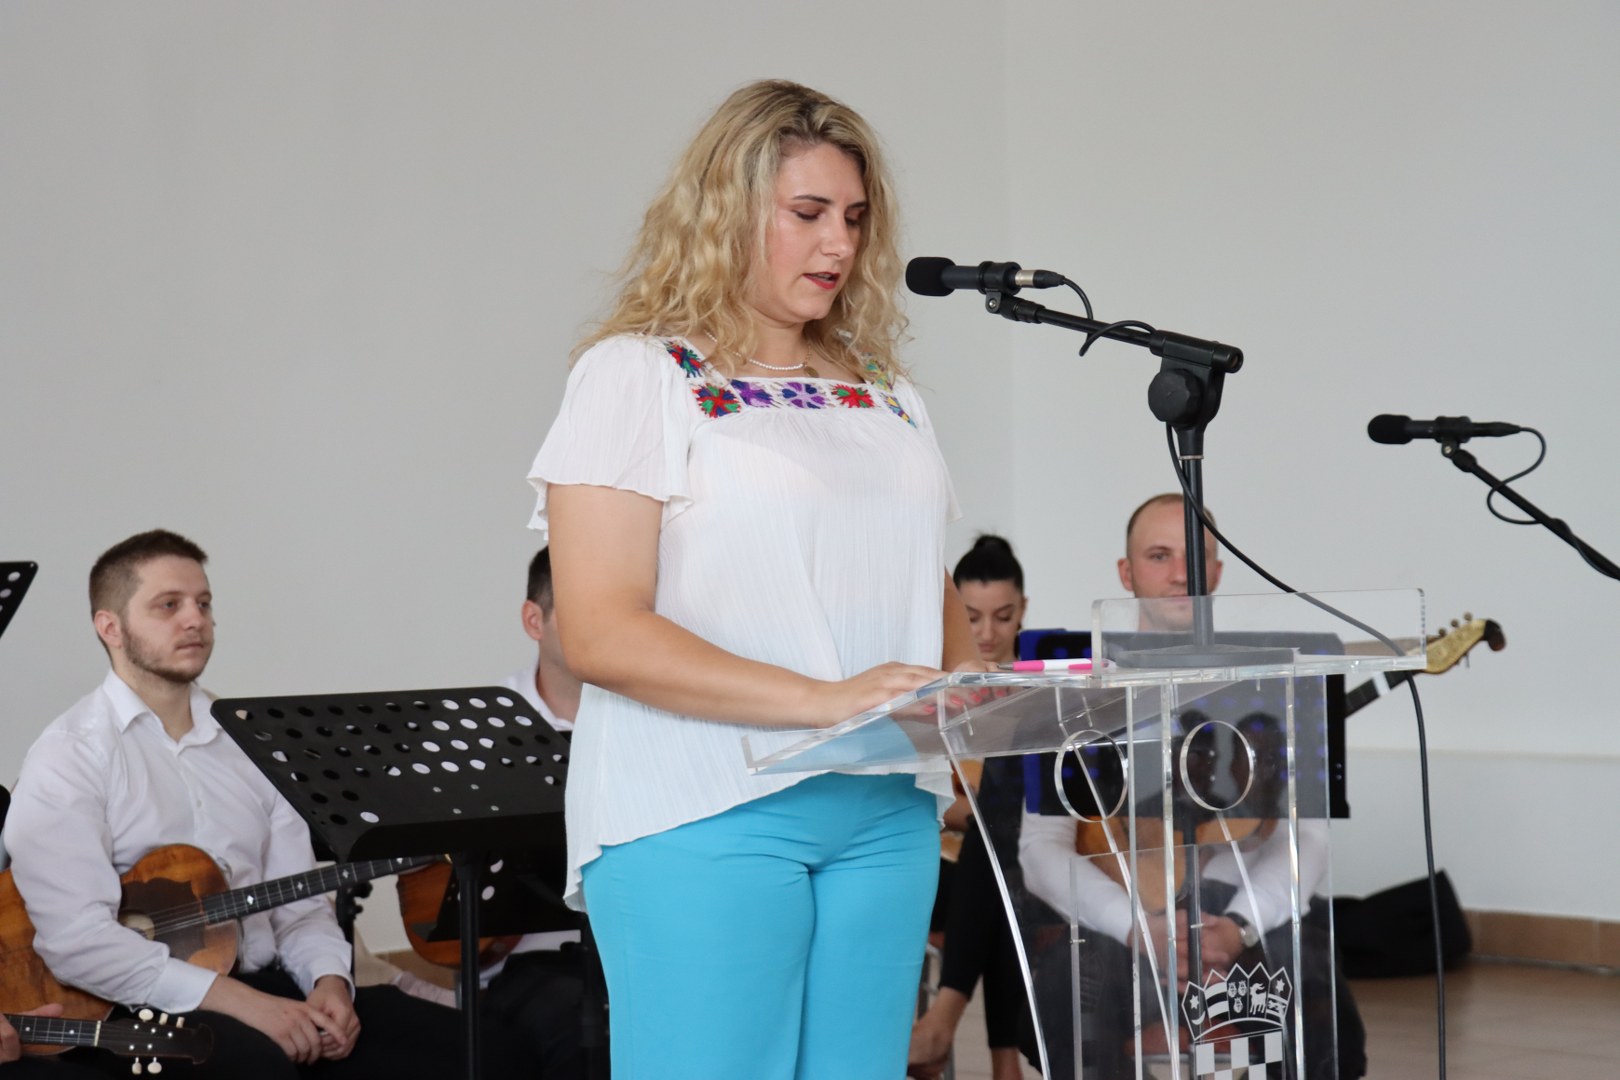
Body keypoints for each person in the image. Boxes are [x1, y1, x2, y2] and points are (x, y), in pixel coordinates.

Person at [529, 80, 976, 1079]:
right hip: (704, 805)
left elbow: (926, 578)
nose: (839, 244)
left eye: (854, 217)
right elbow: (599, 630)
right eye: (807, 213)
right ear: (725, 214)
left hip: (886, 812)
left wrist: (972, 717)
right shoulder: (637, 377)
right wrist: (824, 698)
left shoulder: (887, 394)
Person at [2, 530, 500, 1080]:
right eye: (169, 605)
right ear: (110, 627)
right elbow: (77, 942)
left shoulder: (253, 742)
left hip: (271, 983)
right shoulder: (69, 755)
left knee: (488, 1049)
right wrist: (246, 1004)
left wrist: (329, 982)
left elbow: (298, 905)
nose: (195, 620)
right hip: (148, 1004)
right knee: (259, 1065)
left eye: (203, 603)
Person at [1018, 495, 1367, 1079]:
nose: (1180, 574)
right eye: (1159, 556)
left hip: (1244, 916)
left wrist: (1238, 926)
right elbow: (1041, 847)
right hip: (1120, 921)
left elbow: (1308, 836)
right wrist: (1136, 928)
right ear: (1126, 573)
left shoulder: (1273, 684)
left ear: (1218, 572)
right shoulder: (1074, 690)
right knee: (1064, 1000)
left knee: (1326, 1023)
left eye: (1195, 558)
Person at [909, 535, 1030, 1080]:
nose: (986, 634)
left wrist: (976, 810)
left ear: (1023, 609)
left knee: (1002, 859)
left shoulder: (1034, 690)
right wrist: (975, 810)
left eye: (1002, 617)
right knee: (1001, 851)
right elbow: (915, 787)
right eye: (971, 617)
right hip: (933, 868)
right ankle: (1007, 1065)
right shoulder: (924, 680)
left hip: (995, 869)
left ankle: (943, 1020)